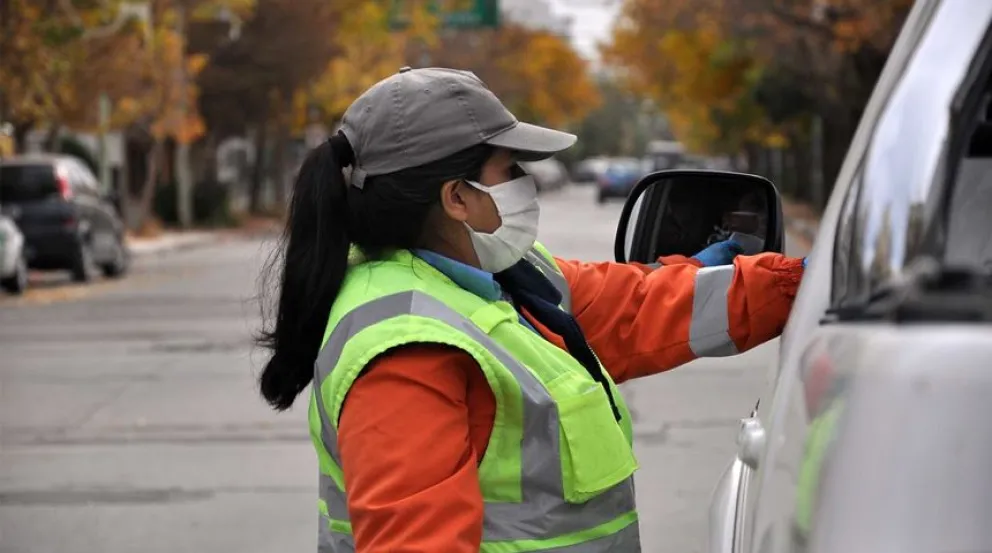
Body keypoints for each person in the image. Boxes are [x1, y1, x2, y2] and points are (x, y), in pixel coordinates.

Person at [256, 67, 806, 553]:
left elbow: (636, 307)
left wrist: (798, 283)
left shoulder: (502, 274)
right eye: (511, 170)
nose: (528, 185)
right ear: (457, 198)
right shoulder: (406, 349)